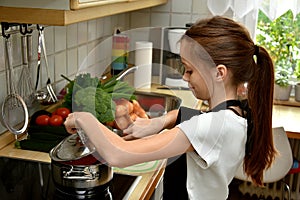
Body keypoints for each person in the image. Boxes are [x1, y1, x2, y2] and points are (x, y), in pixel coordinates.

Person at [64, 16, 277, 200]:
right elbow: (198, 121)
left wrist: (84, 118)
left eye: (190, 70)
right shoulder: (237, 112)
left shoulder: (211, 126)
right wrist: (161, 121)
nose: (184, 77)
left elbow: (118, 154)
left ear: (219, 73)